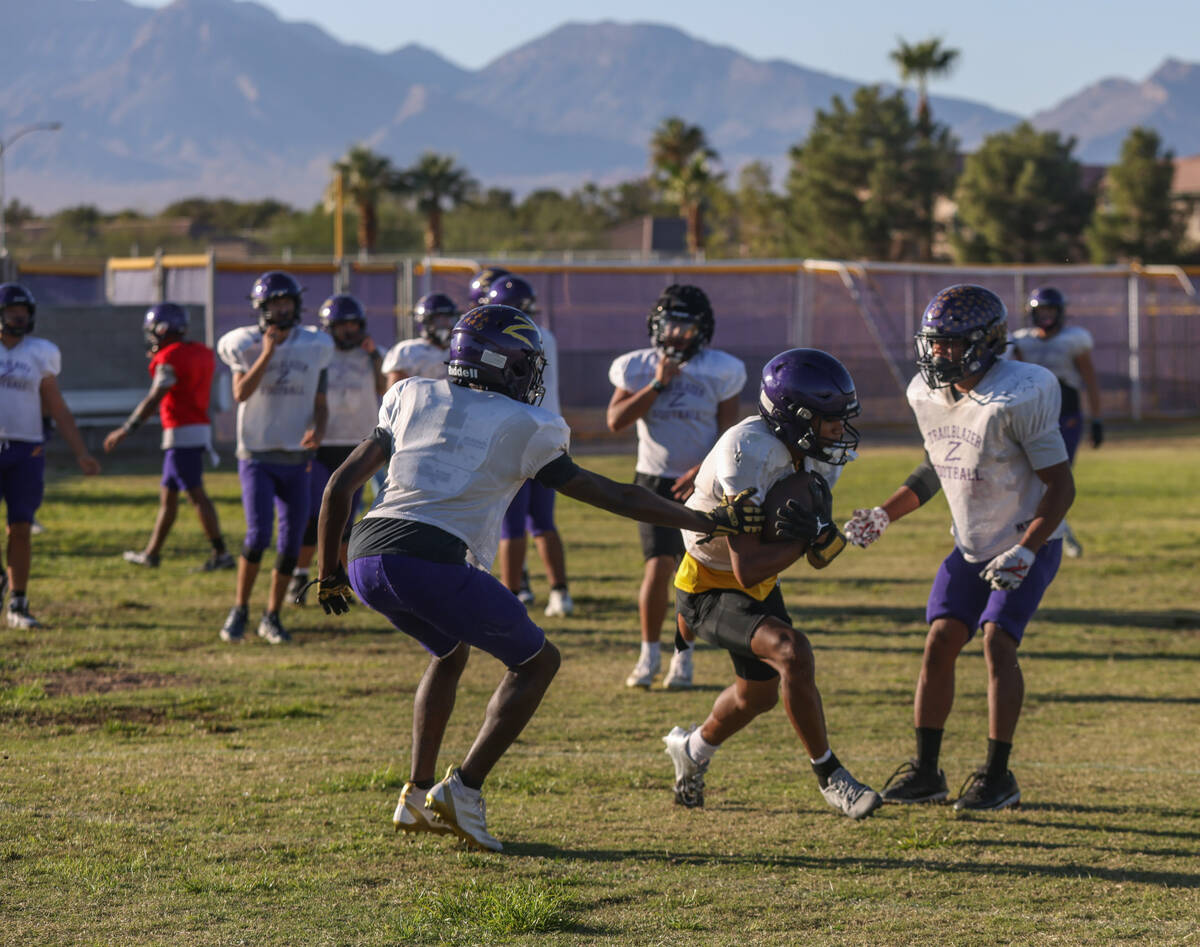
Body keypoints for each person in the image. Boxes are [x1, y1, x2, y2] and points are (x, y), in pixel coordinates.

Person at [307, 304, 763, 852]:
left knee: (449, 652)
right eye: (525, 363)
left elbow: (339, 486)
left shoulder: (411, 394)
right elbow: (616, 495)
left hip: (365, 554)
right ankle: (465, 791)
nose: (531, 375)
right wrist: (702, 518)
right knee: (538, 662)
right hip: (428, 556)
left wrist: (330, 573)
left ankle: (415, 794)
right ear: (504, 364)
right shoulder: (530, 424)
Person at [844, 284, 1075, 811]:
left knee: (997, 641)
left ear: (986, 343)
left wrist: (1026, 549)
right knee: (941, 640)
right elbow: (935, 467)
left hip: (1026, 541)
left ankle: (998, 776)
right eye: (933, 343)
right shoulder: (924, 393)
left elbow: (1061, 486)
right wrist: (885, 512)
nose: (937, 354)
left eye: (950, 344)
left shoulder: (1023, 389)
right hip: (969, 544)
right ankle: (927, 772)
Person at [664, 348, 882, 820]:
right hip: (707, 584)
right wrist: (812, 540)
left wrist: (816, 539)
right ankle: (831, 776)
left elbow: (817, 556)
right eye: (830, 420)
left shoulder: (819, 456)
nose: (839, 431)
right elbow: (749, 568)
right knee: (792, 650)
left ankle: (693, 750)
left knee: (756, 695)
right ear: (797, 417)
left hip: (755, 581)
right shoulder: (748, 451)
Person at [607, 284, 745, 689]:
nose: (678, 334)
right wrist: (657, 384)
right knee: (657, 566)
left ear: (702, 331)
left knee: (691, 571)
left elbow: (728, 432)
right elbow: (615, 421)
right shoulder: (638, 366)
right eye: (671, 325)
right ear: (656, 324)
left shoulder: (721, 369)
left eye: (687, 327)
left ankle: (682, 659)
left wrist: (705, 468)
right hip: (652, 477)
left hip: (703, 481)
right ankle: (649, 655)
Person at [215, 271, 332, 645]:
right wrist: (268, 352)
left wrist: (320, 427)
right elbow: (240, 393)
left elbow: (320, 401)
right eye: (275, 304)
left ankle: (272, 615)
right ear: (261, 308)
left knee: (291, 540)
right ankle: (240, 608)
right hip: (257, 455)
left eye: (287, 303)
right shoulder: (244, 343)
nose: (282, 310)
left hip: (296, 456)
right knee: (258, 534)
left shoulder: (315, 344)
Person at [103, 303, 234, 572]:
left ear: (162, 330)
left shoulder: (170, 358)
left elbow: (154, 398)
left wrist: (126, 429)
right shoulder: (198, 352)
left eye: (153, 331)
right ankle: (151, 553)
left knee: (196, 496)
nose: (151, 337)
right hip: (193, 429)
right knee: (169, 498)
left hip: (182, 433)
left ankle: (221, 553)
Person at [0, 282, 100, 628]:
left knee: (21, 526)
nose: (19, 317)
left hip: (26, 447)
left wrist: (81, 452)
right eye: (13, 311)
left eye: (24, 312)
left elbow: (56, 406)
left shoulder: (39, 353)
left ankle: (18, 601)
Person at [486, 275, 573, 618]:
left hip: (519, 435)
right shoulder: (545, 336)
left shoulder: (509, 342)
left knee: (513, 523)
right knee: (543, 521)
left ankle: (511, 596)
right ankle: (560, 592)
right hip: (550, 436)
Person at [289, 294, 386, 602]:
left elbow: (384, 388)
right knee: (312, 515)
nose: (348, 331)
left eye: (353, 325)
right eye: (341, 326)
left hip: (358, 445)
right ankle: (300, 574)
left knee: (346, 517)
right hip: (322, 443)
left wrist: (374, 359)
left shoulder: (372, 354)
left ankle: (337, 577)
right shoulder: (319, 355)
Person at [1009, 287, 1102, 558]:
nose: (1046, 316)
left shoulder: (1074, 340)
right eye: (1042, 311)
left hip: (1066, 415)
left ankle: (1054, 530)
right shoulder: (1020, 342)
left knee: (1056, 478)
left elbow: (1090, 380)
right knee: (1026, 478)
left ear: (1060, 313)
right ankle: (1050, 527)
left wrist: (1097, 419)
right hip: (1031, 415)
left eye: (1051, 310)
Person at [381, 293, 459, 386]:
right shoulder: (407, 351)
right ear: (425, 321)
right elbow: (397, 394)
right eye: (440, 320)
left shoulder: (458, 350)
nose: (447, 325)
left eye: (449, 319)